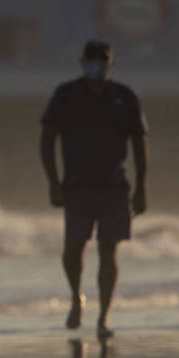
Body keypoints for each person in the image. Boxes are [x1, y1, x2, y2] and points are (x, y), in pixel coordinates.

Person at [38, 39, 148, 341]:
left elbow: (139, 144)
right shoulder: (66, 95)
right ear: (82, 62)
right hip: (76, 187)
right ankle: (76, 297)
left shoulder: (124, 97)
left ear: (111, 64)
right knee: (74, 248)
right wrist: (53, 182)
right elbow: (47, 140)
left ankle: (104, 317)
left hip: (114, 187)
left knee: (108, 249)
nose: (96, 65)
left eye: (102, 60)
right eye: (91, 60)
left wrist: (141, 189)